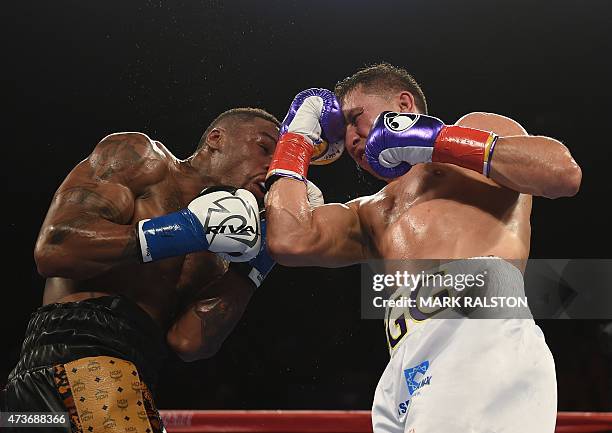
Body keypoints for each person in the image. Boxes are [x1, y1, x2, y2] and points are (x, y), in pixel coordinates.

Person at [264, 64, 582, 433]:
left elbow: (563, 174)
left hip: (478, 342)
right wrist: (297, 139)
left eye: (355, 118)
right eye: (341, 129)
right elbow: (288, 239)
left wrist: (439, 141)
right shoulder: (369, 212)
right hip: (405, 368)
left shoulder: (474, 130)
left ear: (403, 104)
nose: (350, 138)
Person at [2, 107, 279, 433]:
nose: (270, 169)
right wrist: (182, 231)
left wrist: (260, 260)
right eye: (264, 148)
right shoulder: (143, 159)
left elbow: (188, 343)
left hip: (120, 378)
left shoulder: (218, 250)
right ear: (216, 139)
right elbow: (54, 250)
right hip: (81, 358)